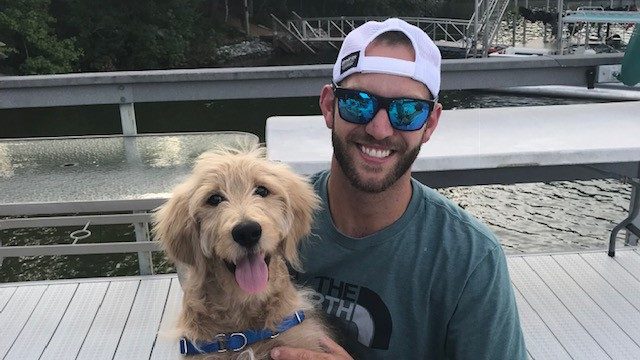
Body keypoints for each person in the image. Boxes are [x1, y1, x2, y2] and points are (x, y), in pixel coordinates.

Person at [270, 18, 526, 360]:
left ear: (430, 123)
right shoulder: (272, 221)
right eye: (358, 102)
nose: (379, 128)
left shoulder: (469, 259)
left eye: (407, 111)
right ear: (330, 106)